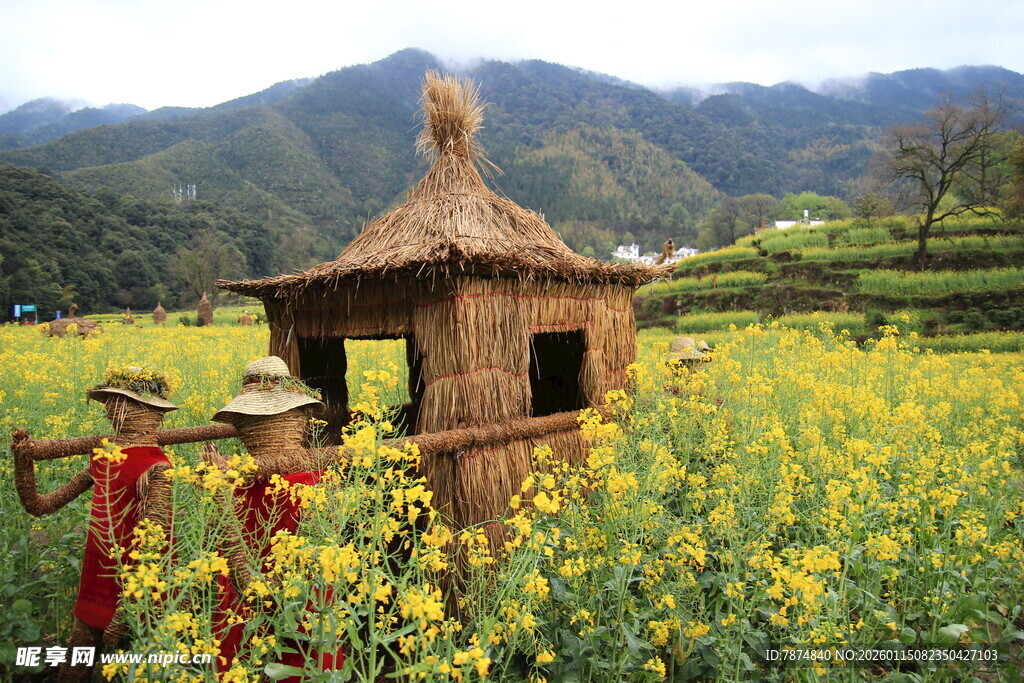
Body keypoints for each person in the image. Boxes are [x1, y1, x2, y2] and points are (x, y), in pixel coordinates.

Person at [12, 367, 177, 683]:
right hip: (98, 569)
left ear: (151, 412)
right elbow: (41, 505)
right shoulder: (104, 456)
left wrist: (127, 607)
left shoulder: (157, 468)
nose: (112, 409)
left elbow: (155, 540)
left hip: (140, 579)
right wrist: (23, 463)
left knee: (149, 656)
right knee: (77, 656)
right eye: (110, 401)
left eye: (121, 401)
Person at [205, 356, 344, 680]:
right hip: (274, 589)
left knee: (262, 649)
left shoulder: (236, 482)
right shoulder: (313, 478)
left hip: (268, 591)